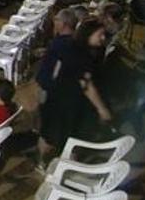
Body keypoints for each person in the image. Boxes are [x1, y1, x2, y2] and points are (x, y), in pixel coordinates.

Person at [38, 19, 113, 158]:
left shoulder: (74, 46)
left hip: (59, 99)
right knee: (60, 136)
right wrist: (102, 109)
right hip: (64, 102)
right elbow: (87, 85)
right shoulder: (80, 54)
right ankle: (53, 162)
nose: (103, 38)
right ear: (88, 34)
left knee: (52, 134)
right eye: (100, 34)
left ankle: (49, 161)